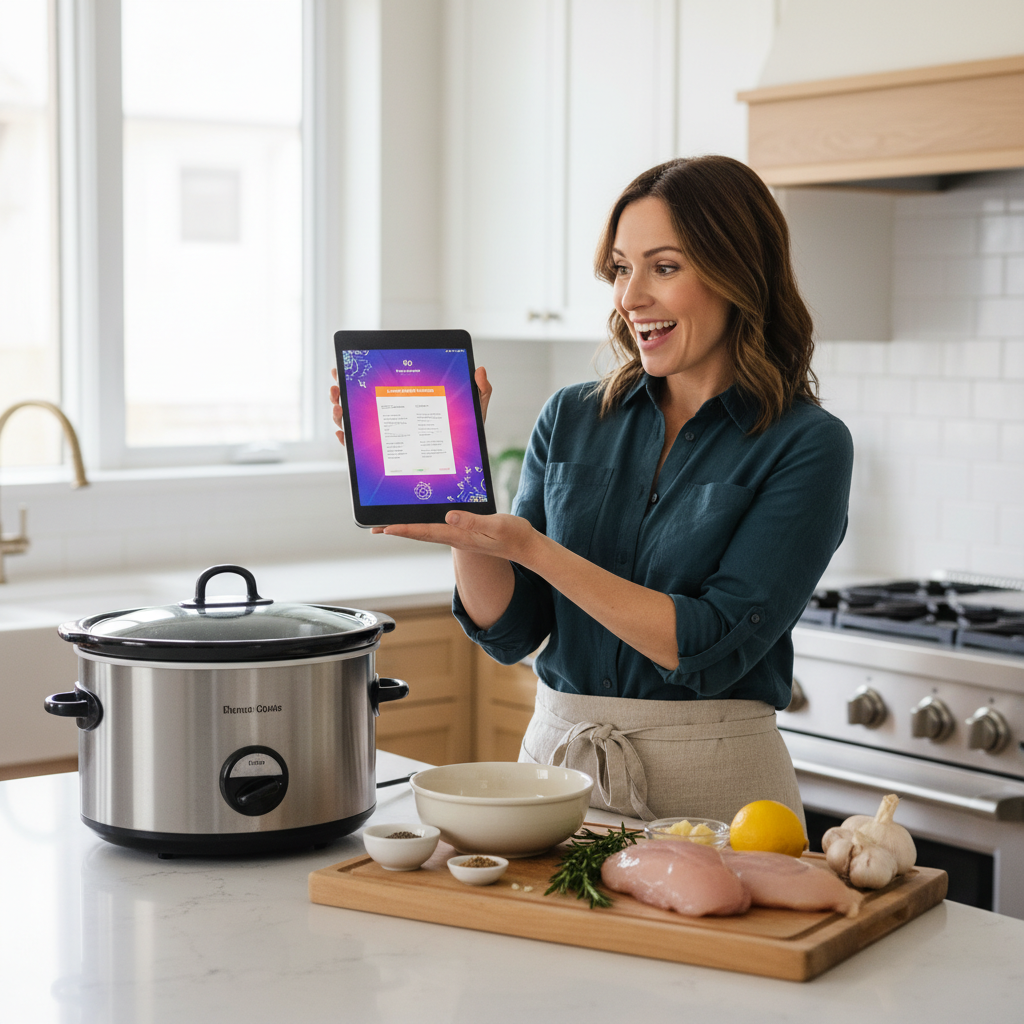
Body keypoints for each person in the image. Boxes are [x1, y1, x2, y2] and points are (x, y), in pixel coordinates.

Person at [330, 155, 853, 826]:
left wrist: (533, 548)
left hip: (718, 791)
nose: (630, 297)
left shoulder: (806, 443)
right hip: (557, 769)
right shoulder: (573, 416)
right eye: (621, 268)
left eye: (664, 267)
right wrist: (462, 511)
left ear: (738, 275)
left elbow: (703, 643)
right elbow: (513, 631)